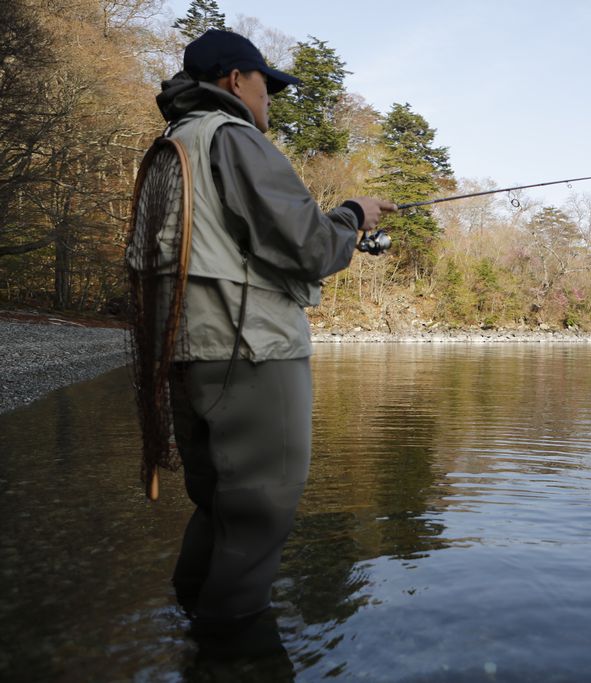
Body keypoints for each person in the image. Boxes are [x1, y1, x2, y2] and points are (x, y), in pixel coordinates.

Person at [152, 29, 395, 635]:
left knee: (218, 504)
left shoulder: (173, 144)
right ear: (238, 80)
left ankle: (192, 619)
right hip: (248, 350)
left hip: (184, 351)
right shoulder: (234, 138)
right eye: (267, 86)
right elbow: (310, 246)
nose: (270, 102)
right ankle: (234, 649)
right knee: (260, 508)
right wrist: (352, 216)